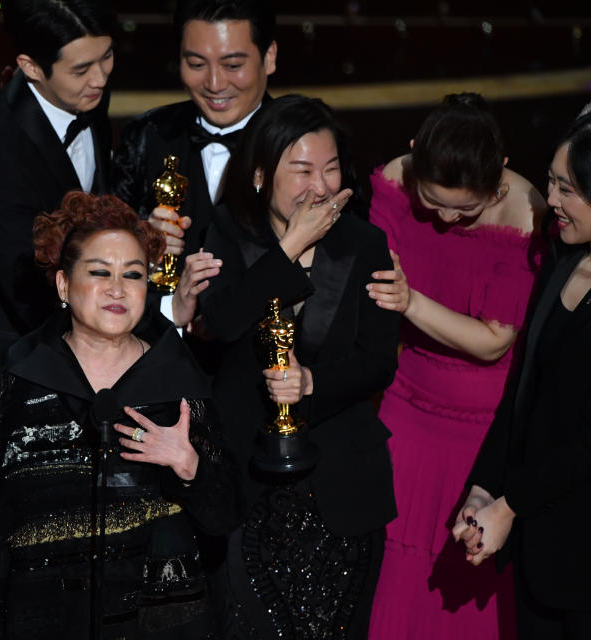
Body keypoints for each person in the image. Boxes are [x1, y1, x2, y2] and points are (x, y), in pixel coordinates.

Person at [0, 191, 242, 638]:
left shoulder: (179, 382)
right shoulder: (18, 377)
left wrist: (189, 466)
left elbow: (224, 516)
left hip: (159, 622)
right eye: (100, 272)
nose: (118, 289)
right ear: (64, 285)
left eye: (134, 275)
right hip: (39, 620)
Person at [199, 95, 400, 639]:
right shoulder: (226, 230)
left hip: (341, 487)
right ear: (262, 174)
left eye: (331, 169)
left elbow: (379, 362)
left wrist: (313, 383)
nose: (321, 186)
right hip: (246, 486)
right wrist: (289, 248)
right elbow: (223, 321)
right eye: (303, 170)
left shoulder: (365, 242)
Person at [366, 94, 543, 639]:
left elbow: (494, 341)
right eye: (432, 202)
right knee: (394, 576)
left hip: (482, 430)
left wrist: (410, 301)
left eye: (463, 211)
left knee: (464, 590)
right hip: (404, 410)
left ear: (499, 178)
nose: (443, 219)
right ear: (416, 155)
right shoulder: (396, 180)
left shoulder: (526, 210)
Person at [452, 112, 591, 639]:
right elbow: (523, 393)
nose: (550, 200)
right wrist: (484, 491)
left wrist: (512, 505)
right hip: (540, 552)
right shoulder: (562, 262)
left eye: (568, 189)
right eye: (552, 182)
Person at [0, 0, 117, 345]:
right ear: (30, 67)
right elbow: (23, 284)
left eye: (107, 57)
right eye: (82, 69)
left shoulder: (88, 95)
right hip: (26, 346)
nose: (100, 78)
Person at [113, 0, 276, 282]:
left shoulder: (304, 142)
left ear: (269, 57)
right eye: (196, 64)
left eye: (233, 64)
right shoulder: (145, 136)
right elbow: (103, 251)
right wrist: (138, 245)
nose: (214, 83)